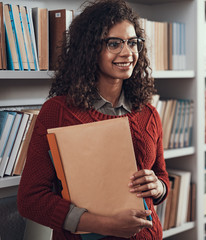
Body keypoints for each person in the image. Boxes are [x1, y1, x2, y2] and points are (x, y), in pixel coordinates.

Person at [17, 0, 170, 239]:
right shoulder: (57, 112)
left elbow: (161, 176)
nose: (127, 52)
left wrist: (158, 186)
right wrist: (103, 225)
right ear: (89, 48)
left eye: (132, 43)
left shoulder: (148, 113)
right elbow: (31, 200)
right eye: (114, 43)